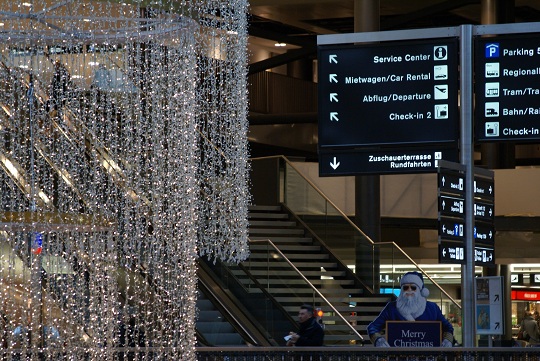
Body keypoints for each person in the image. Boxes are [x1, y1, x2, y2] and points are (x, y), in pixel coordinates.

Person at [368, 271, 454, 347]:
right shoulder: (391, 308)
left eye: (413, 287)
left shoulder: (432, 308)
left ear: (421, 290)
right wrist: (378, 340)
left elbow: (448, 327)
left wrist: (448, 340)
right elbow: (372, 327)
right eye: (405, 287)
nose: (409, 290)